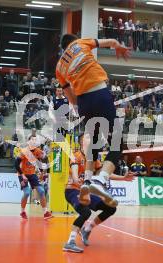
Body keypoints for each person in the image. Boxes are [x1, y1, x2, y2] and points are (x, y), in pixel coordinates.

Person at [55, 34, 130, 207]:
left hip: (83, 103)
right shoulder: (80, 43)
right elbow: (111, 41)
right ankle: (100, 181)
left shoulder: (59, 67)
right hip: (99, 93)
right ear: (73, 41)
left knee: (94, 143)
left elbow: (72, 100)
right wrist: (118, 46)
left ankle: (87, 182)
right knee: (117, 143)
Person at [63, 140, 134, 253]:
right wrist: (77, 180)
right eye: (87, 141)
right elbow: (75, 173)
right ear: (82, 143)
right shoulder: (76, 156)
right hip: (72, 190)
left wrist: (123, 178)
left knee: (111, 208)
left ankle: (87, 230)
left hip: (86, 191)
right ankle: (70, 242)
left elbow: (106, 174)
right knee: (85, 212)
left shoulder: (94, 160)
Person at [14, 142, 52, 220]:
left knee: (41, 191)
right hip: (22, 174)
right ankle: (22, 212)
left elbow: (40, 160)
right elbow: (16, 163)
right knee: (27, 192)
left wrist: (42, 172)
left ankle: (45, 213)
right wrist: (22, 175)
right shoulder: (24, 151)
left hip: (32, 174)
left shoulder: (37, 151)